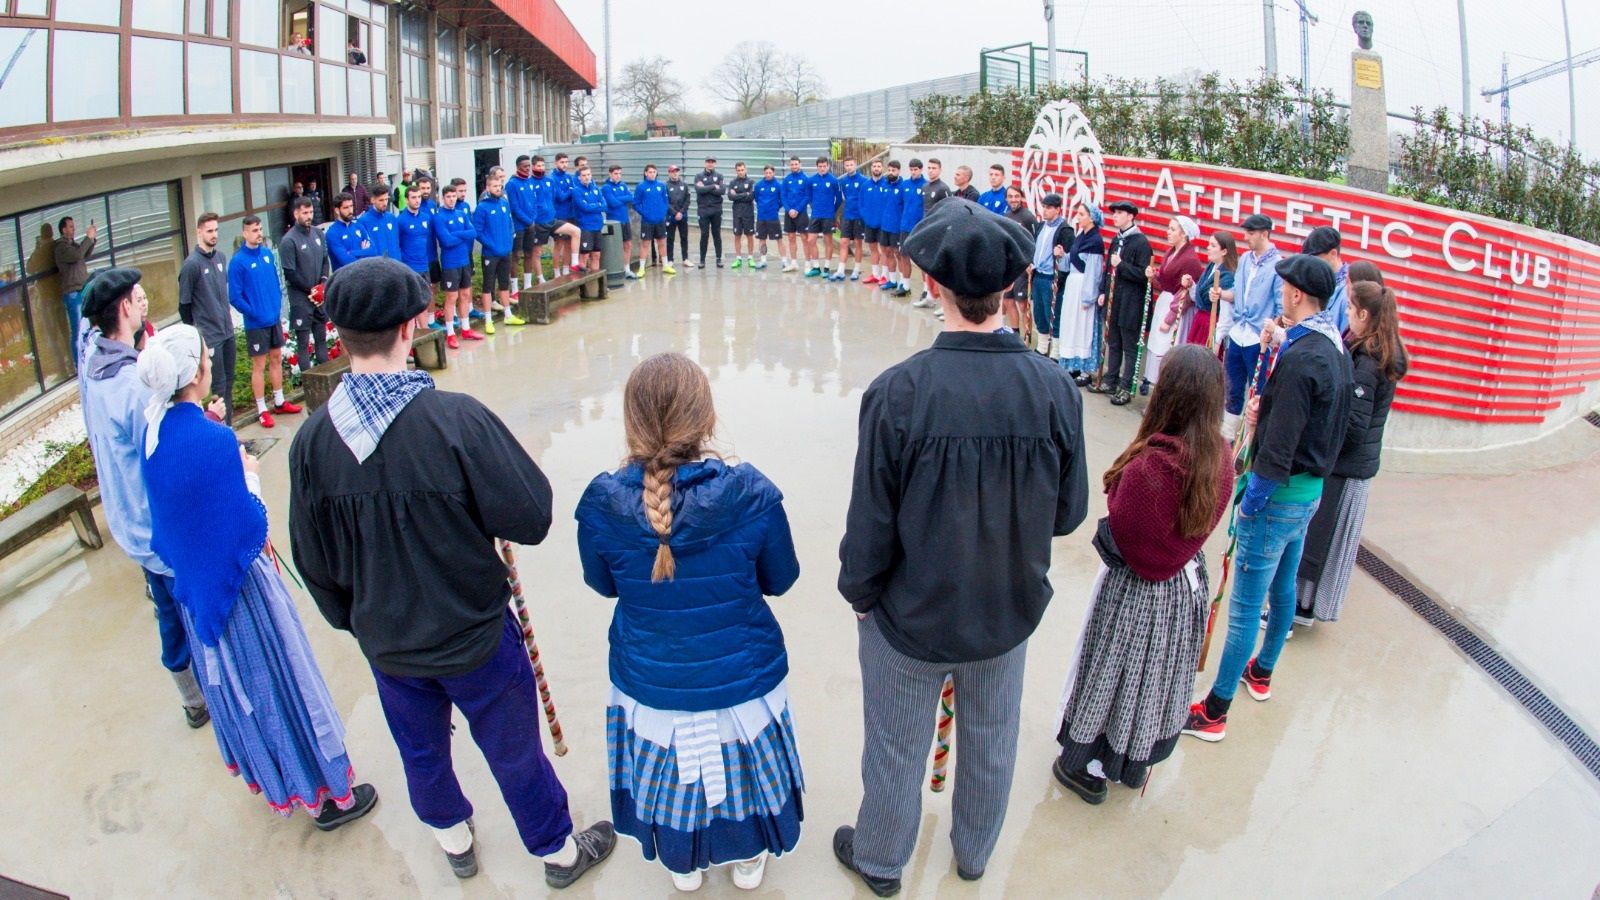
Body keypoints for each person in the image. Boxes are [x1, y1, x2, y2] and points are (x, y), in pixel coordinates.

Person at [289, 257, 617, 886]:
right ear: (412, 328)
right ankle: (556, 851)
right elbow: (533, 514)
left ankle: (453, 838)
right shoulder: (454, 420)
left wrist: (359, 622)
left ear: (342, 336)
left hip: (389, 643)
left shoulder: (313, 442)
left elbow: (314, 560)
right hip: (474, 637)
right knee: (514, 750)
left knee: (420, 750)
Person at [835, 199, 1089, 896]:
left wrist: (860, 596)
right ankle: (973, 854)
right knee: (992, 741)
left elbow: (870, 527)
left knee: (894, 746)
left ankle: (882, 860)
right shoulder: (1054, 390)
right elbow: (1069, 514)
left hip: (910, 619)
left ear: (937, 285)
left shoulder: (898, 394)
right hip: (1006, 612)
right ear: (1009, 290)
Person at [576, 352, 804, 893]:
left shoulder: (603, 502)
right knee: (749, 780)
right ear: (705, 417)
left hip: (650, 678)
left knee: (671, 779)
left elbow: (602, 583)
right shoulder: (749, 493)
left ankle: (684, 864)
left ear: (632, 421)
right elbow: (782, 578)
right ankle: (748, 859)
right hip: (742, 676)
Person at [137, 323, 379, 829]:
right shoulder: (214, 441)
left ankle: (274, 779)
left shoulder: (154, 431)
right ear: (198, 372)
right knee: (283, 685)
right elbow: (247, 524)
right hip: (241, 591)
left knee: (241, 697)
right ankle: (329, 793)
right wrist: (247, 474)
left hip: (196, 592)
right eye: (207, 357)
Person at [1183, 254, 1352, 743]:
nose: (1280, 294)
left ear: (1297, 294)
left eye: (1284, 288)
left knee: (1242, 610)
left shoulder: (1302, 361)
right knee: (1281, 588)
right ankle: (1263, 671)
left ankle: (1214, 710)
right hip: (1308, 493)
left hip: (1277, 494)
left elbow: (1279, 446)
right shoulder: (1330, 344)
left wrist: (1250, 498)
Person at [1053, 344, 1233, 802]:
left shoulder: (1151, 469)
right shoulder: (1222, 459)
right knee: (1150, 679)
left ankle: (1088, 765)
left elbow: (1128, 533)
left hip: (1136, 591)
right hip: (1183, 586)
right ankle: (1131, 760)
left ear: (1167, 396)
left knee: (1114, 672)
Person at [77, 268, 208, 728]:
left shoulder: (94, 360)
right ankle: (203, 694)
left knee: (167, 608)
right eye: (137, 297)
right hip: (155, 525)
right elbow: (163, 453)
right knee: (187, 609)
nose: (143, 301)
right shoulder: (129, 385)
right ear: (124, 309)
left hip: (129, 520)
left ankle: (192, 699)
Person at [1293, 280, 1408, 626]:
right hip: (1352, 468)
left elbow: (1355, 427)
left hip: (1346, 470)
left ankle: (1302, 609)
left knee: (1320, 544)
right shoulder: (1370, 350)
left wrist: (1321, 439)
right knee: (1325, 543)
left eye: (1348, 308)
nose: (1344, 313)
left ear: (1364, 313)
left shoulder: (1368, 361)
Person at [229, 215, 302, 427]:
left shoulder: (268, 254)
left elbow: (275, 282)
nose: (259, 233)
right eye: (254, 230)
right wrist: (253, 312)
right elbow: (235, 296)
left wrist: (276, 306)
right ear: (244, 233)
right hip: (256, 323)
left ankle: (279, 401)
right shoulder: (238, 262)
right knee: (259, 364)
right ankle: (262, 408)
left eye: (260, 229)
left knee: (277, 357)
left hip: (273, 318)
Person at [1221, 214, 1283, 439]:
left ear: (1264, 234)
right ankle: (1227, 438)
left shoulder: (1278, 265)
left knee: (1257, 393)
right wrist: (1221, 295)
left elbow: (1280, 306)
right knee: (1232, 388)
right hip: (1238, 333)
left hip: (1258, 339)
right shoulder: (1245, 258)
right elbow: (1236, 293)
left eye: (1251, 233)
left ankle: (1249, 443)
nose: (1246, 237)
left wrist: (1272, 329)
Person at [1088, 201, 1152, 406]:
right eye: (1114, 213)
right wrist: (1103, 292)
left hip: (1131, 302)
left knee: (1129, 345)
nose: (1115, 216)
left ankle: (1126, 386)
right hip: (1114, 299)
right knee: (1113, 340)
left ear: (1131, 217)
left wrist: (1122, 265)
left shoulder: (1141, 242)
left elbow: (1144, 275)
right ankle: (1110, 379)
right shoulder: (1117, 240)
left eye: (1120, 213)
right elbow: (1109, 269)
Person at [177, 212, 235, 422]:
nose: (214, 235)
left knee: (229, 382)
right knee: (217, 385)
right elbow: (184, 305)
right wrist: (196, 336)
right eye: (209, 231)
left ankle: (229, 429)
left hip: (227, 331)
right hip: (210, 336)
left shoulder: (220, 257)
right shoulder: (192, 265)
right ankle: (218, 430)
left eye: (216, 230)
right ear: (199, 232)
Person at [1143, 215, 1206, 388]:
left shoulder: (1190, 260)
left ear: (1183, 233)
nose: (1168, 232)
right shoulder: (1171, 252)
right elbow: (1166, 280)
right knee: (1157, 347)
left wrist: (1169, 318)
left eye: (1172, 229)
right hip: (1165, 301)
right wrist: (1154, 275)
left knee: (1166, 348)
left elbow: (1183, 295)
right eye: (1168, 228)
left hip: (1175, 309)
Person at [1056, 201, 1106, 385]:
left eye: (1082, 214)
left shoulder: (1095, 241)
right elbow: (1072, 260)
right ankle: (1072, 364)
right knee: (1072, 323)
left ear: (1091, 218)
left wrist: (1088, 297)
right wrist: (1063, 255)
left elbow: (1093, 272)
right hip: (1073, 283)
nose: (1078, 216)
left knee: (1083, 325)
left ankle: (1084, 369)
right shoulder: (1080, 236)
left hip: (1083, 286)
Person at [280, 197, 332, 372]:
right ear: (296, 214)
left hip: (318, 297)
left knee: (321, 340)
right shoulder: (289, 240)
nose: (309, 216)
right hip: (301, 300)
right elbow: (290, 272)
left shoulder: (318, 234)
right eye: (305, 213)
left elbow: (326, 261)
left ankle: (327, 384)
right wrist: (311, 290)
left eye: (310, 212)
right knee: (303, 345)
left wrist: (322, 284)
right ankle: (309, 387)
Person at [433, 179, 483, 346]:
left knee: (465, 295)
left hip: (464, 260)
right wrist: (462, 234)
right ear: (443, 198)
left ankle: (466, 328)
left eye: (454, 196)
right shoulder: (439, 217)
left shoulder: (461, 214)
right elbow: (446, 241)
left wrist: (457, 234)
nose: (452, 199)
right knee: (451, 297)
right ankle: (450, 333)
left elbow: (473, 232)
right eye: (449, 196)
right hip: (450, 263)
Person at [1022, 194, 1071, 353]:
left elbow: (1068, 257)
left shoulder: (1065, 230)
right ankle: (1042, 347)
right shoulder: (1041, 226)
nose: (1045, 210)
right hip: (1038, 275)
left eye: (1049, 208)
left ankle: (1055, 351)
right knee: (1039, 313)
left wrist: (1061, 256)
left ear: (1058, 209)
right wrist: (1031, 263)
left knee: (1053, 314)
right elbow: (1035, 247)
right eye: (1044, 207)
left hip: (1052, 277)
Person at [472, 167, 517, 336]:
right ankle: (488, 319)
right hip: (490, 253)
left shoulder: (504, 203)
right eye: (495, 186)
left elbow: (509, 224)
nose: (498, 188)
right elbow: (478, 231)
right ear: (488, 187)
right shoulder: (482, 207)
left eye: (500, 185)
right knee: (488, 285)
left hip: (506, 251)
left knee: (504, 284)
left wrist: (509, 242)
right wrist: (491, 245)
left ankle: (508, 314)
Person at [531, 155, 582, 284]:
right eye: (538, 166)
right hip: (543, 220)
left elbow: (555, 197)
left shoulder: (551, 180)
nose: (541, 168)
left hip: (555, 218)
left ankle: (572, 265)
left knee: (575, 233)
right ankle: (546, 276)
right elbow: (560, 197)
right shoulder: (533, 182)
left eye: (542, 165)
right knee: (542, 250)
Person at [54, 215, 98, 357]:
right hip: (73, 294)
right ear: (63, 229)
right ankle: (78, 362)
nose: (74, 229)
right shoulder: (61, 247)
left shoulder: (72, 245)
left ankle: (88, 355)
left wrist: (92, 240)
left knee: (89, 326)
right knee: (78, 330)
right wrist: (88, 238)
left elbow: (85, 254)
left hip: (82, 290)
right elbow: (77, 255)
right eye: (71, 227)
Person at [1191, 231, 1238, 350]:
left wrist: (1216, 339)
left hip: (1212, 325)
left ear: (1224, 251)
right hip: (1200, 322)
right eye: (1208, 244)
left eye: (1213, 245)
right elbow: (1199, 296)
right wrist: (1191, 285)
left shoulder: (1228, 276)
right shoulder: (1211, 267)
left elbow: (1226, 312)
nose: (1208, 248)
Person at [1302, 226, 1350, 333]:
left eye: (1316, 259)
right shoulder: (1315, 283)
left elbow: (1345, 343)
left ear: (1333, 254)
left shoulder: (1348, 292)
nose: (1311, 265)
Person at [1001, 187, 1037, 332]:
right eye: (1010, 196)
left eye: (1016, 196)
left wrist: (1030, 262)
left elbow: (1035, 241)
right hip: (1009, 266)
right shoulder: (1006, 216)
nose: (1013, 199)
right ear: (1006, 199)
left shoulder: (1028, 217)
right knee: (1008, 300)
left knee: (1022, 304)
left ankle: (1027, 333)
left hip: (1022, 267)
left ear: (1021, 198)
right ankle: (1015, 332)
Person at [894, 160, 928, 299]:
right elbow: (901, 204)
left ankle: (926, 289)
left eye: (916, 169)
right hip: (905, 227)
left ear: (921, 169)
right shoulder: (904, 185)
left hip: (919, 227)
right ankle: (906, 286)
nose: (913, 172)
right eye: (911, 169)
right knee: (903, 255)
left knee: (922, 260)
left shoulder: (926, 185)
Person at [507, 155, 541, 287]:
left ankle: (528, 285)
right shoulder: (512, 184)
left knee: (529, 253)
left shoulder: (530, 181)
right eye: (525, 166)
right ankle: (514, 288)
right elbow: (514, 208)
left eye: (529, 166)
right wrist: (528, 221)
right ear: (518, 167)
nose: (528, 169)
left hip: (531, 225)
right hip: (519, 226)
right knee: (516, 256)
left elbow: (534, 203)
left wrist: (533, 219)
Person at [805, 157, 841, 279]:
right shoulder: (811, 180)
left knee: (828, 241)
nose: (822, 168)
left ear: (828, 166)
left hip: (828, 216)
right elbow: (809, 197)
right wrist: (814, 206)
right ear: (817, 167)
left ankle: (826, 267)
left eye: (824, 166)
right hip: (815, 215)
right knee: (810, 240)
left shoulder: (833, 180)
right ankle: (816, 267)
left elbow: (839, 198)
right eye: (820, 166)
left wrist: (832, 210)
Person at [874, 162, 906, 295]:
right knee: (886, 253)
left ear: (899, 171)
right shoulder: (885, 185)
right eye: (889, 170)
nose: (891, 172)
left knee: (898, 254)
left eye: (894, 170)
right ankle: (892, 280)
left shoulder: (903, 186)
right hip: (885, 226)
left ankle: (904, 282)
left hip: (897, 227)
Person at [633, 163, 671, 275]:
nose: (652, 174)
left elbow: (665, 201)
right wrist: (645, 213)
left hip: (660, 220)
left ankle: (665, 266)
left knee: (662, 242)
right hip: (647, 221)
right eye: (650, 172)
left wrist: (663, 213)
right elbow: (636, 203)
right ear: (645, 173)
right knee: (645, 244)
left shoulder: (661, 185)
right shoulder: (641, 187)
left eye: (654, 172)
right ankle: (641, 269)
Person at [836, 156, 868, 281]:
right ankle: (840, 270)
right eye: (847, 165)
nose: (849, 167)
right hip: (847, 215)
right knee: (844, 242)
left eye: (851, 165)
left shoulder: (863, 180)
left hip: (859, 216)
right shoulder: (843, 181)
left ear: (855, 165)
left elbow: (865, 199)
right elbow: (844, 197)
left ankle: (856, 269)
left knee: (858, 243)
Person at [602, 165, 637, 278]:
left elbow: (631, 197)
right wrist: (623, 199)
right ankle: (615, 269)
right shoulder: (606, 188)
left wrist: (620, 199)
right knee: (615, 246)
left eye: (619, 173)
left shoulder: (623, 185)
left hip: (625, 220)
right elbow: (613, 203)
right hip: (613, 222)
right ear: (610, 174)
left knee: (627, 244)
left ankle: (626, 269)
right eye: (616, 173)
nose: (618, 176)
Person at [779, 156, 811, 273]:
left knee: (804, 238)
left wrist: (797, 210)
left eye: (796, 164)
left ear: (800, 165)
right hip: (789, 213)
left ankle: (808, 263)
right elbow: (783, 196)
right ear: (790, 165)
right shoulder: (787, 179)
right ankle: (793, 263)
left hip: (801, 213)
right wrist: (789, 209)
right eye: (792, 164)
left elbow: (807, 196)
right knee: (791, 237)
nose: (794, 166)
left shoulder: (805, 179)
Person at [695, 156, 726, 269]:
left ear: (715, 164)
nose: (710, 164)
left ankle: (718, 259)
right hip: (703, 210)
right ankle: (702, 260)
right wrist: (713, 186)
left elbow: (722, 191)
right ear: (705, 163)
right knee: (704, 234)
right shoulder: (699, 176)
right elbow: (699, 190)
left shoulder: (719, 176)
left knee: (716, 234)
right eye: (708, 162)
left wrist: (706, 188)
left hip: (716, 209)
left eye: (712, 162)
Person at [573, 166, 606, 274]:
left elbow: (605, 205)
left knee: (596, 255)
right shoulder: (576, 191)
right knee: (584, 255)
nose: (586, 177)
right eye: (584, 175)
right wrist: (597, 205)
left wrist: (593, 205)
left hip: (597, 226)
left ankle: (595, 283)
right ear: (579, 178)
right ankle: (583, 287)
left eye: (588, 175)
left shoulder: (596, 189)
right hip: (585, 226)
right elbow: (584, 208)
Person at [551, 153, 579, 276]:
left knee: (569, 243)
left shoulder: (569, 177)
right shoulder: (553, 178)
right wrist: (570, 191)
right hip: (560, 215)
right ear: (556, 163)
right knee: (559, 243)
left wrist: (570, 191)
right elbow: (560, 197)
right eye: (562, 162)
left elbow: (574, 192)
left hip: (571, 213)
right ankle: (557, 272)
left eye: (566, 162)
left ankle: (567, 269)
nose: (564, 164)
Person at [859, 159, 886, 284]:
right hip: (870, 223)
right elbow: (861, 204)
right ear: (871, 168)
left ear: (882, 168)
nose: (876, 168)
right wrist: (867, 218)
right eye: (874, 166)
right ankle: (875, 274)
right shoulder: (865, 185)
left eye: (879, 166)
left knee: (884, 250)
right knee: (873, 248)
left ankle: (885, 276)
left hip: (883, 224)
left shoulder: (886, 184)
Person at [357, 183, 400, 260]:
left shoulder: (392, 218)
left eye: (386, 199)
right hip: (377, 267)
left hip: (395, 266)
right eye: (381, 200)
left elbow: (397, 242)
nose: (385, 203)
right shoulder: (363, 221)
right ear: (372, 200)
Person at [726, 161, 756, 269]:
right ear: (736, 171)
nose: (740, 172)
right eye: (738, 170)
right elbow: (730, 197)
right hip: (737, 213)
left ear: (746, 170)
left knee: (749, 236)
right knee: (737, 235)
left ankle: (750, 258)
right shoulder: (732, 183)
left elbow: (751, 197)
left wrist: (737, 194)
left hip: (748, 213)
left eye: (742, 170)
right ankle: (738, 258)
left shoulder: (751, 182)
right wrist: (744, 194)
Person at [666, 165, 692, 270]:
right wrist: (674, 213)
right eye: (672, 172)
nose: (675, 173)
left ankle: (685, 259)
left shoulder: (684, 185)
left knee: (684, 237)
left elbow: (687, 200)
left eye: (676, 171)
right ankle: (670, 260)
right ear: (669, 173)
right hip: (671, 217)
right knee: (670, 238)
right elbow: (666, 202)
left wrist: (681, 212)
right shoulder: (666, 186)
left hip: (682, 216)